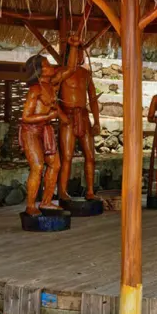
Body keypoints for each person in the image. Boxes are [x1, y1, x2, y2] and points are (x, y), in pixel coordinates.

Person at [19, 35, 80, 216]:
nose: (51, 66)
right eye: (46, 64)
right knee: (37, 167)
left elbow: (70, 68)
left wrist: (73, 46)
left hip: (44, 130)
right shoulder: (35, 90)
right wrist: (49, 115)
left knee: (55, 165)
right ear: (39, 70)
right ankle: (31, 205)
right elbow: (26, 117)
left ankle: (46, 202)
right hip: (31, 132)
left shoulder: (51, 85)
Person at [57, 40, 101, 202]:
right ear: (69, 53)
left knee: (90, 156)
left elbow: (93, 99)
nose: (80, 55)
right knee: (67, 156)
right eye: (76, 51)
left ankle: (90, 191)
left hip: (83, 116)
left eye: (81, 52)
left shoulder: (86, 74)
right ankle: (62, 192)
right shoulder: (61, 73)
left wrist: (96, 121)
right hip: (67, 117)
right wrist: (60, 114)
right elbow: (52, 97)